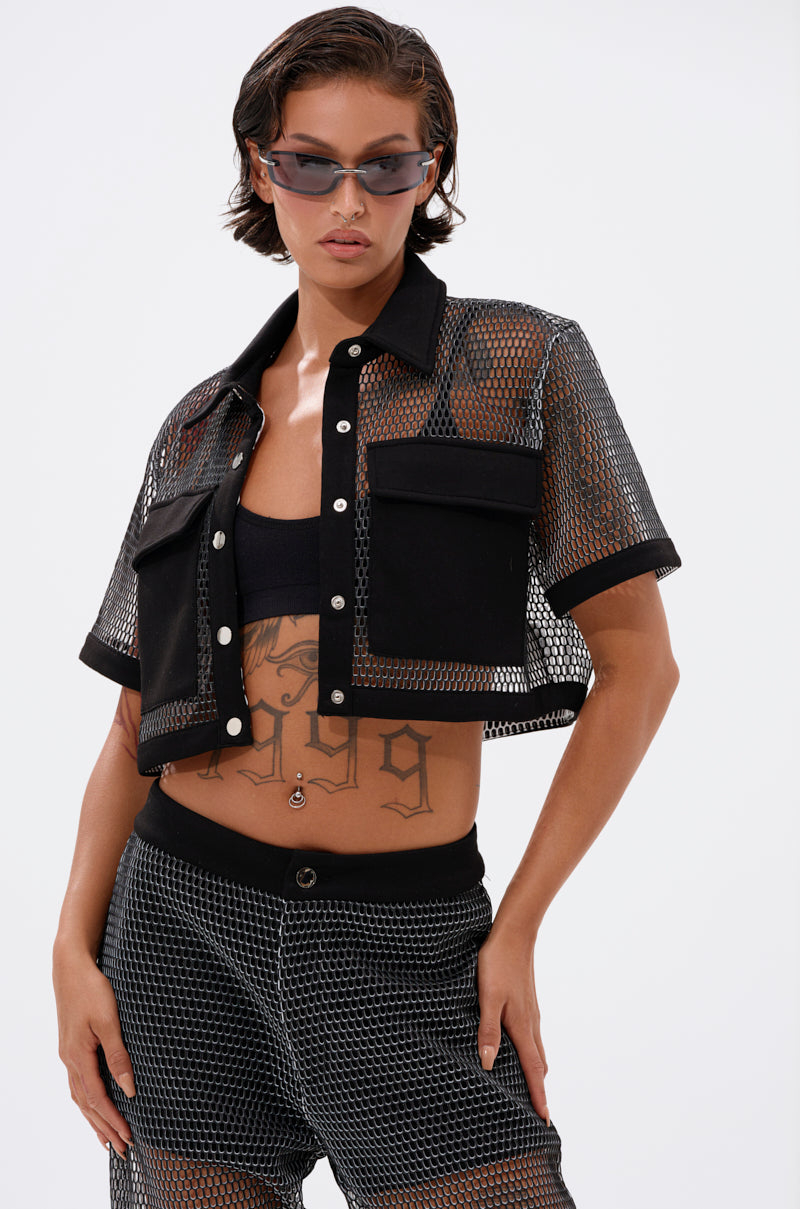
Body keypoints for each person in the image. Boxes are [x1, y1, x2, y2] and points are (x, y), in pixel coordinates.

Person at [53, 7, 682, 1208]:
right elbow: (135, 722)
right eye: (310, 164)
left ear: (429, 172)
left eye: (386, 166)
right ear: (261, 170)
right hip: (177, 936)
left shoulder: (518, 367)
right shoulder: (198, 427)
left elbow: (638, 665)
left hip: (406, 944)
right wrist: (68, 953)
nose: (348, 201)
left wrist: (518, 926)